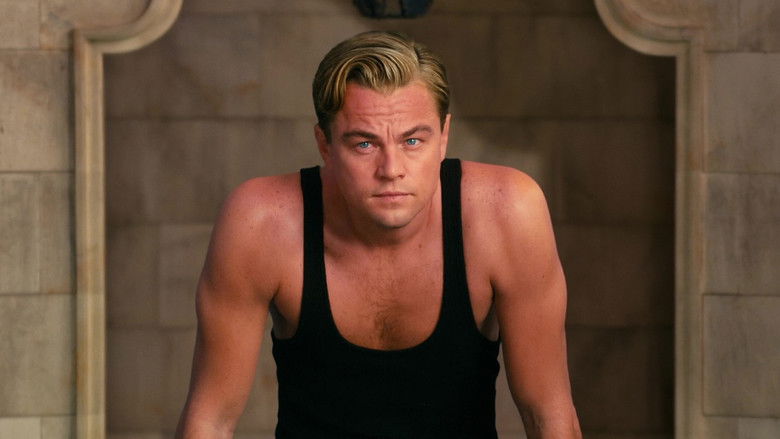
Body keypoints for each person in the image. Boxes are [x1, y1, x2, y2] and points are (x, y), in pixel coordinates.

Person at [175, 30, 581, 439]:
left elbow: (548, 414)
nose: (392, 169)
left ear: (443, 137)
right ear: (325, 145)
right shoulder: (262, 221)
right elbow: (212, 419)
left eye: (413, 140)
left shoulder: (506, 211)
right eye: (365, 144)